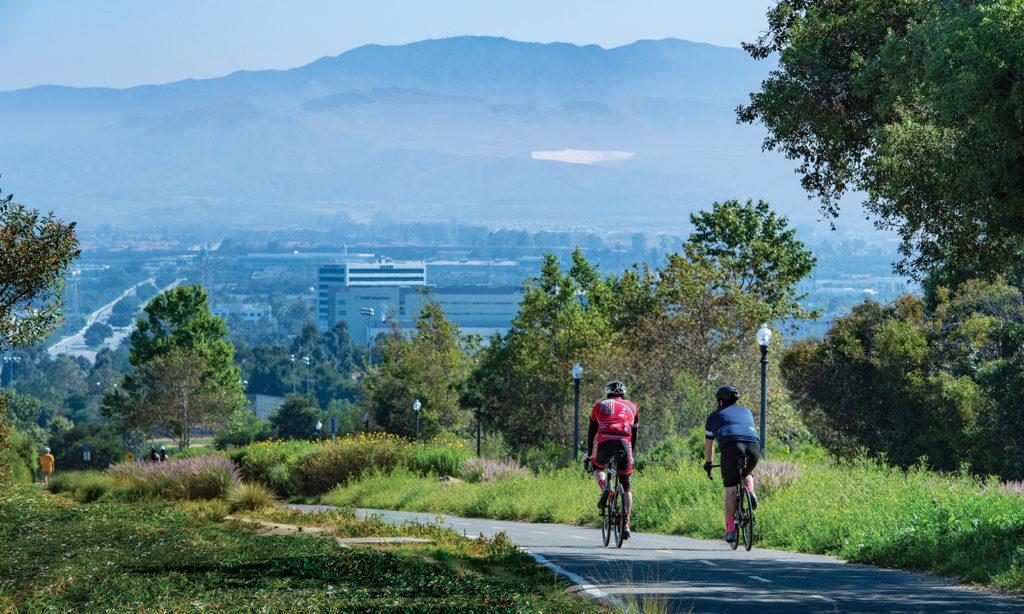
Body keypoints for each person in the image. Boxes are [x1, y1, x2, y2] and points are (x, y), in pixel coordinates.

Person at [703, 385, 760, 544]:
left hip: (731, 446)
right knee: (746, 473)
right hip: (754, 446)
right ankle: (750, 491)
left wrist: (709, 464)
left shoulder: (713, 416)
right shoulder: (747, 411)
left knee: (731, 490)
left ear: (720, 402)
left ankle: (731, 531)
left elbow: (709, 445)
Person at [582, 380, 638, 540]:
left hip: (604, 441)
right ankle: (626, 522)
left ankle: (606, 488)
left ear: (608, 393)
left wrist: (589, 454)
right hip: (624, 442)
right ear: (623, 394)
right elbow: (635, 435)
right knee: (626, 483)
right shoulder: (632, 407)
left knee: (597, 467)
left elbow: (591, 433)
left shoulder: (599, 406)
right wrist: (630, 453)